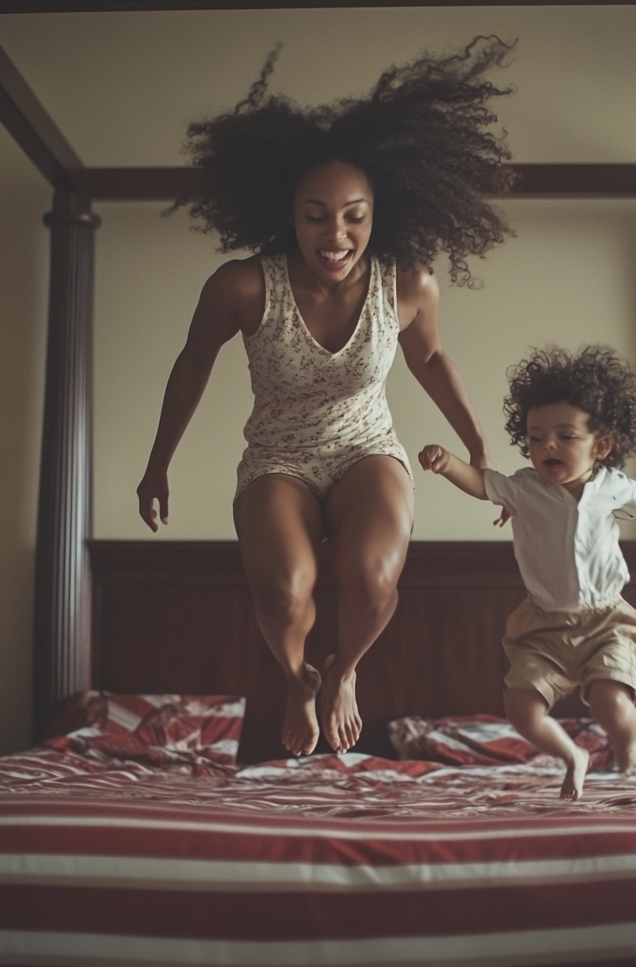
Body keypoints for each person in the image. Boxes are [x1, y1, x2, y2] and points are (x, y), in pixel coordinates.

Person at [137, 37, 515, 758]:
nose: (335, 235)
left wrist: (478, 446)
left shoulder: (408, 283)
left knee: (371, 581)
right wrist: (158, 466)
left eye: (354, 215)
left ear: (380, 213)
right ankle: (296, 678)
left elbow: (430, 358)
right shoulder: (244, 285)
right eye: (316, 215)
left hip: (365, 446)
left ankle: (342, 672)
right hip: (278, 455)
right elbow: (192, 365)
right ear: (288, 213)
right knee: (284, 591)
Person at [418, 345, 636, 799]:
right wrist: (449, 463)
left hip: (605, 621)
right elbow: (482, 484)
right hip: (543, 626)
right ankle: (574, 756)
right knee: (520, 709)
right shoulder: (525, 489)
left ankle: (629, 743)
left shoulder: (612, 488)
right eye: (535, 437)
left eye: (565, 436)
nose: (547, 445)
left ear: (601, 445)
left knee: (613, 704)